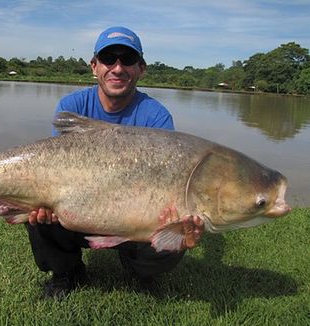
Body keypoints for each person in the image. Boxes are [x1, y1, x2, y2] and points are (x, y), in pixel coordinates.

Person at [26, 26, 204, 298]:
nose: (118, 68)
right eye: (109, 58)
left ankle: (137, 267)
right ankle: (67, 272)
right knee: (39, 217)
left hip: (133, 220)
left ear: (141, 68)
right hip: (78, 209)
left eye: (128, 59)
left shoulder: (156, 117)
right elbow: (55, 170)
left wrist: (176, 223)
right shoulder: (72, 105)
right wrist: (44, 200)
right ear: (94, 66)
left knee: (174, 233)